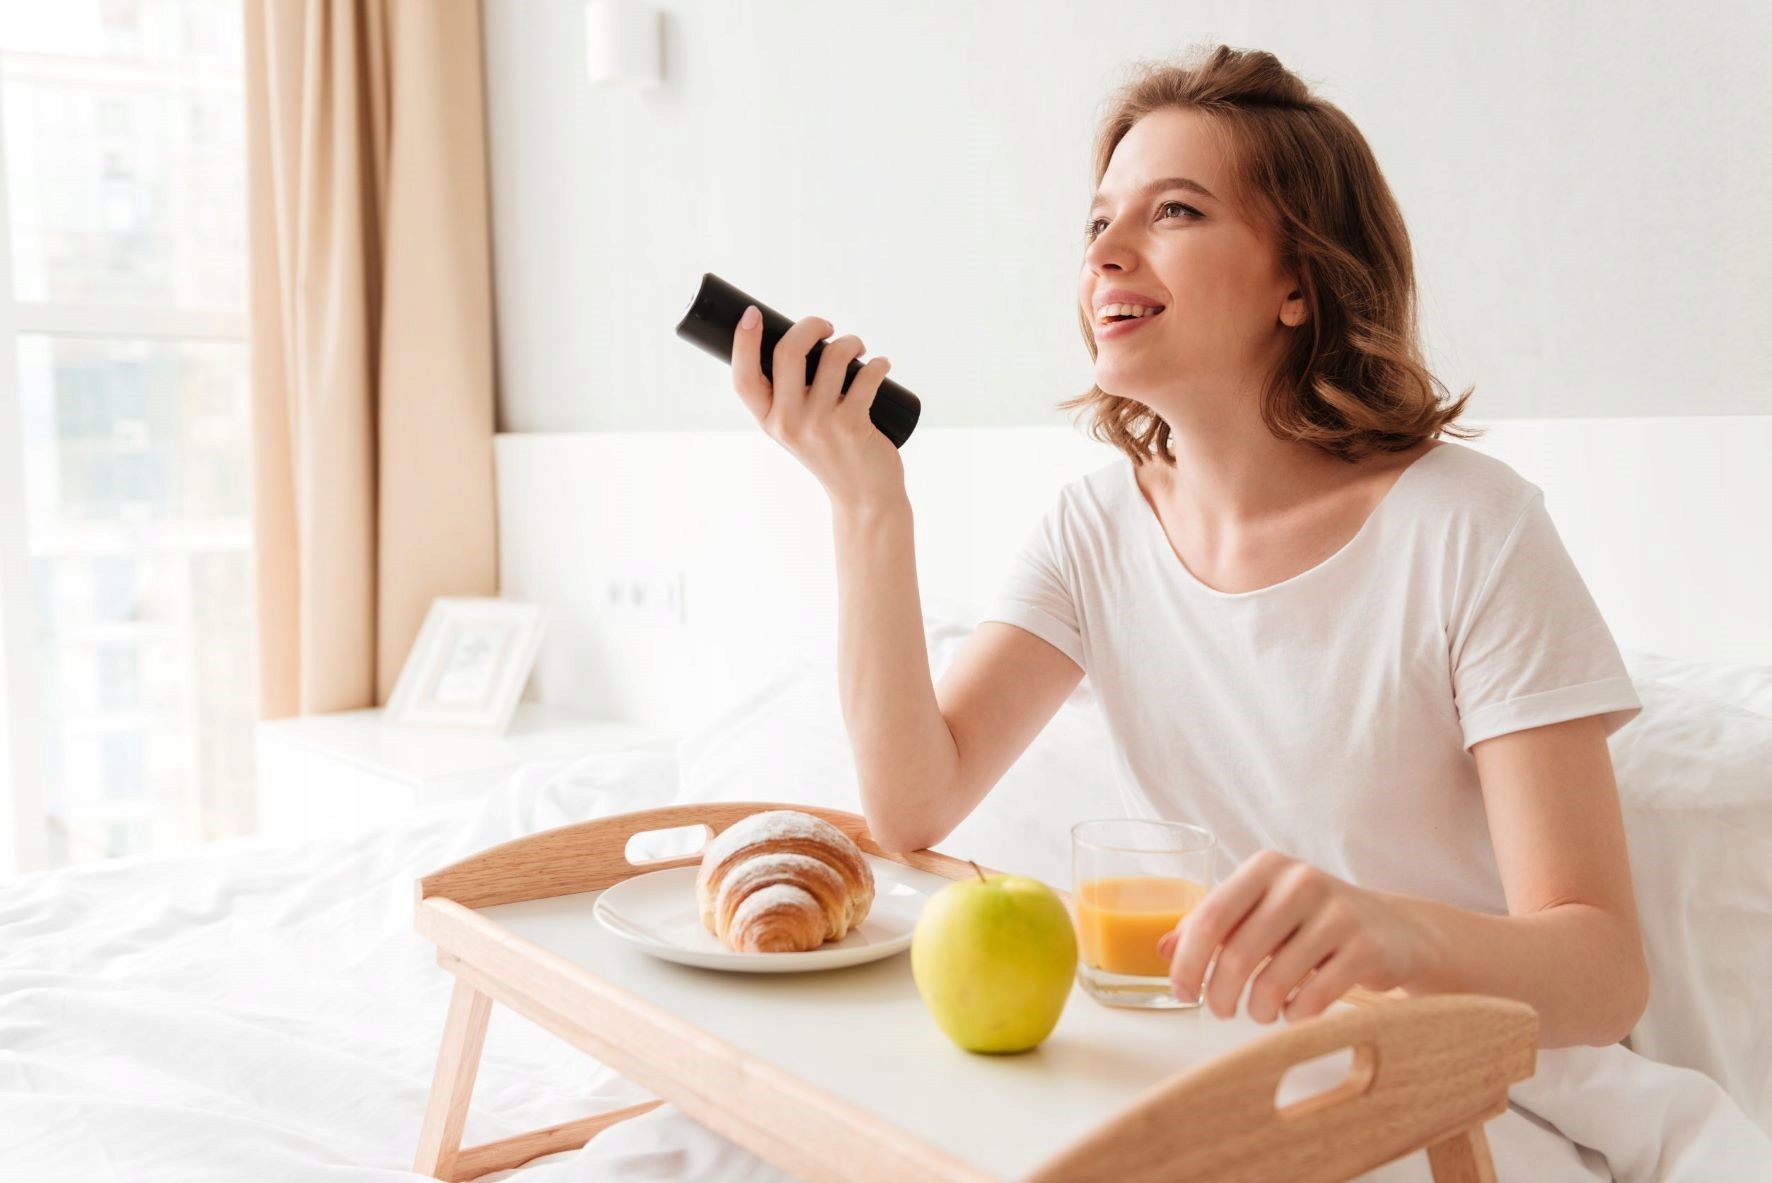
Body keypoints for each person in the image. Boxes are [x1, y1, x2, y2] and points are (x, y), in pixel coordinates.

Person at [726, 44, 1647, 1052]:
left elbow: (1602, 976)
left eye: (1172, 211)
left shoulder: (1470, 530)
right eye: (1096, 220)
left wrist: (1389, 931)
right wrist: (867, 505)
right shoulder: (1092, 533)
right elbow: (910, 804)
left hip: (1442, 1070)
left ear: (1297, 282)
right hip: (1196, 1056)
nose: (1105, 252)